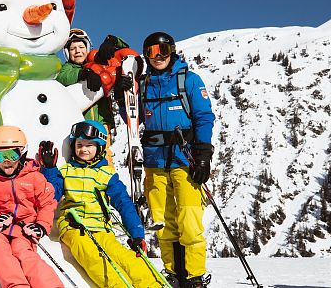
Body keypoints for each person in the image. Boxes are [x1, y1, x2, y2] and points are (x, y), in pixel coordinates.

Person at [39, 120, 164, 288]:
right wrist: (49, 169)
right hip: (74, 227)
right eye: (79, 144)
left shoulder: (107, 175)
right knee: (94, 258)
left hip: (101, 228)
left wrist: (136, 234)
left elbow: (123, 203)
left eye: (89, 145)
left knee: (126, 258)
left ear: (99, 147)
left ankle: (154, 285)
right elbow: (52, 195)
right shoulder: (67, 171)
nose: (83, 149)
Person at [137, 32, 215, 288]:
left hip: (185, 160)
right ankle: (171, 271)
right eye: (151, 52)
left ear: (172, 51)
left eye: (163, 51)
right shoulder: (143, 85)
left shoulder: (189, 80)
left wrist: (203, 154)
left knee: (189, 222)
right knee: (163, 224)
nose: (157, 57)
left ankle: (194, 276)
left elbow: (204, 117)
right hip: (154, 163)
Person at [0, 125, 63, 288]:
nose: (6, 161)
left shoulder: (34, 177)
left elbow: (47, 203)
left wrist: (40, 226)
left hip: (26, 229)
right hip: (1, 227)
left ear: (22, 153)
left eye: (12, 154)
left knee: (23, 253)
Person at [56, 28, 127, 162]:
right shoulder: (67, 68)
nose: (77, 51)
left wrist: (112, 41)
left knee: (104, 160)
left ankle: (107, 181)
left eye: (81, 46)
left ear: (88, 48)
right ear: (67, 53)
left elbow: (123, 51)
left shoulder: (101, 65)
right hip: (77, 128)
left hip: (101, 124)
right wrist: (84, 74)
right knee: (78, 162)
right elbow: (63, 77)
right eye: (73, 48)